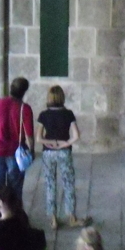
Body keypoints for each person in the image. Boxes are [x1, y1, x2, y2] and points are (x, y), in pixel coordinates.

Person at [36, 85, 90, 229]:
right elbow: (76, 135)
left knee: (50, 183)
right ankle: (71, 217)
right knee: (68, 183)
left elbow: (39, 138)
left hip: (48, 152)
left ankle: (53, 219)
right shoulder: (68, 114)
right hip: (64, 151)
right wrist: (64, 143)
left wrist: (51, 142)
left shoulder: (43, 115)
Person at [0, 77, 34, 204]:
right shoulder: (24, 109)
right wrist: (32, 150)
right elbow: (29, 134)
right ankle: (15, 214)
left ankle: (0, 213)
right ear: (24, 92)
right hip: (16, 152)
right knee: (15, 186)